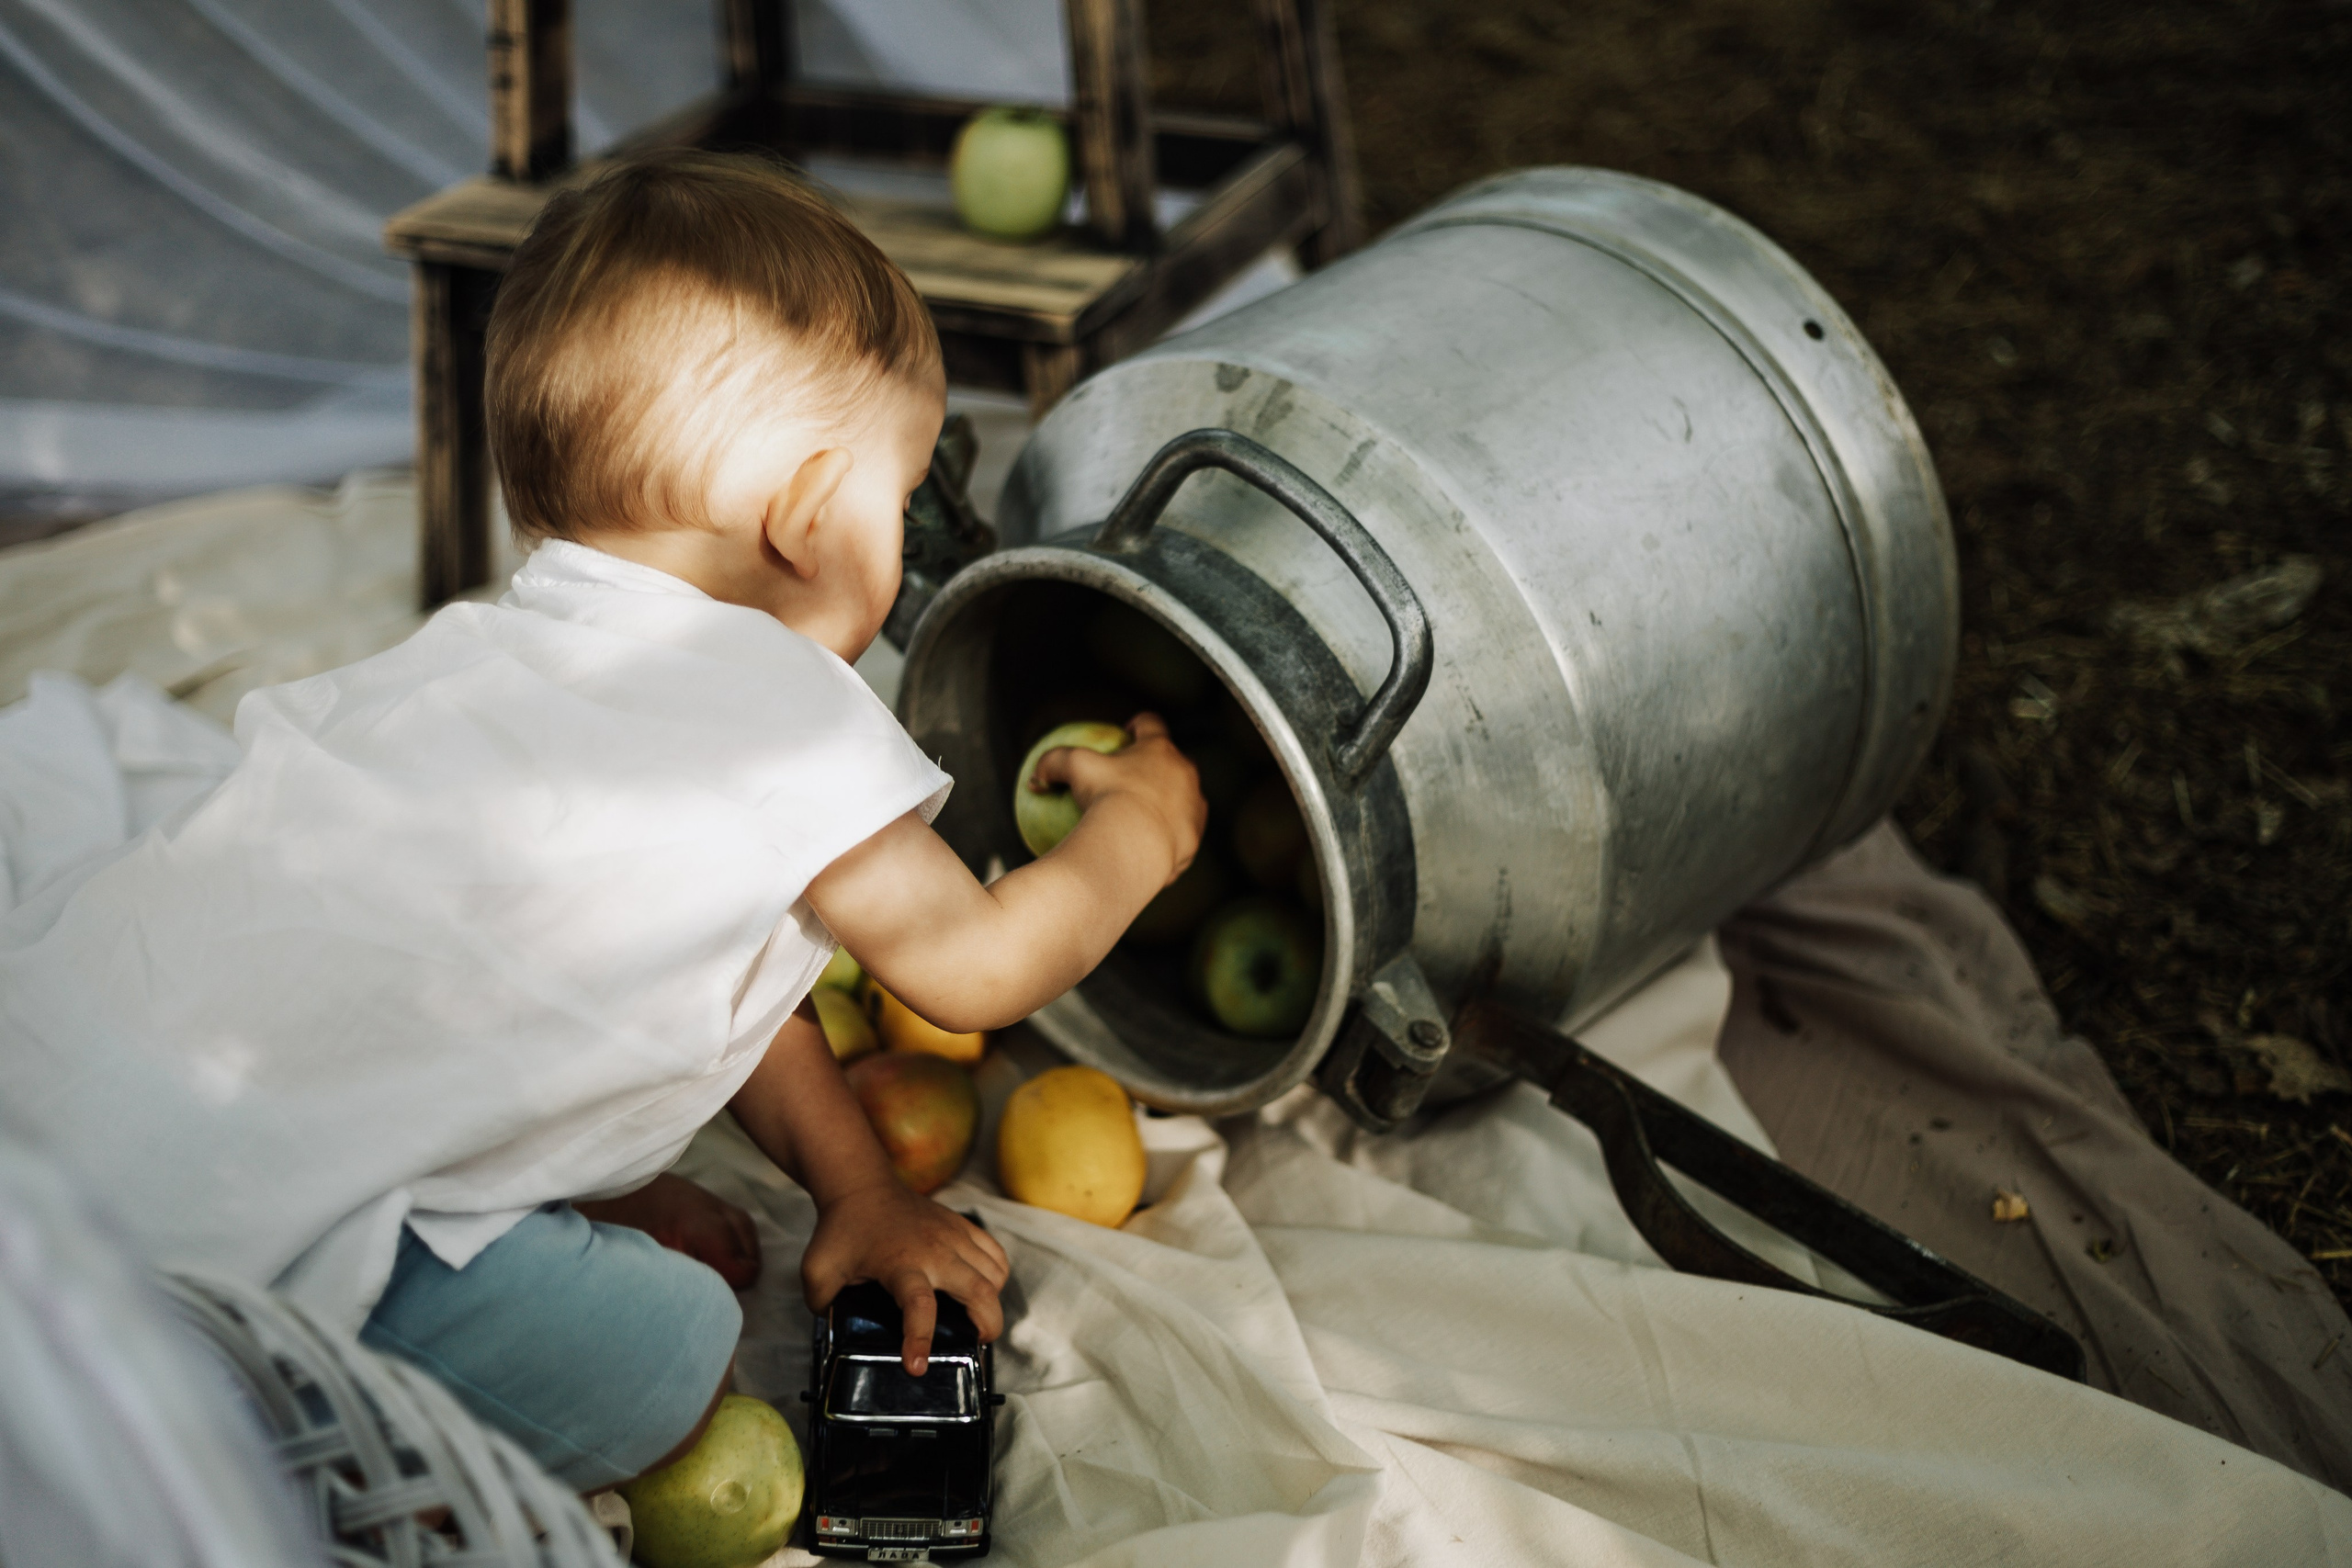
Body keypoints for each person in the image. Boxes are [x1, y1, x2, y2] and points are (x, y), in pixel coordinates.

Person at [0, 150, 1205, 1493]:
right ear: (809, 513)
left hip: (48, 1099)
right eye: (902, 489)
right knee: (670, 1357)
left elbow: (694, 969)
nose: (905, 528)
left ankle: (516, 1185)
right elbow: (981, 966)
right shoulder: (785, 714)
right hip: (186, 1291)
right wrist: (1140, 832)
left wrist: (859, 1189)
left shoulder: (477, 660)